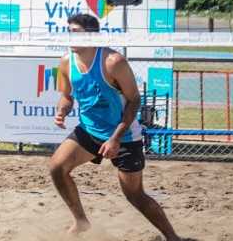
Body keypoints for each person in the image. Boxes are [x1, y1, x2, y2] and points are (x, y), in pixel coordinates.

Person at [50, 13, 180, 240]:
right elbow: (67, 96)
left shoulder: (113, 62)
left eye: (76, 32)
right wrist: (63, 109)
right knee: (57, 168)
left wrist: (116, 138)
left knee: (135, 195)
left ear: (92, 36)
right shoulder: (65, 62)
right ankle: (81, 221)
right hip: (89, 131)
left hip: (124, 135)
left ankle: (172, 237)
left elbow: (135, 100)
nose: (70, 36)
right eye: (69, 31)